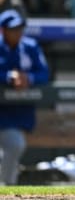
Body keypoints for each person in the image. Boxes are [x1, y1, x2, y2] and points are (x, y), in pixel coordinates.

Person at [0, 9, 50, 185]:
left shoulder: (30, 47)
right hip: (2, 112)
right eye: (13, 29)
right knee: (14, 145)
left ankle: (7, 189)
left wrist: (29, 78)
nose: (17, 33)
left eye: (20, 28)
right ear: (3, 30)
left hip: (20, 112)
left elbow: (44, 73)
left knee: (13, 147)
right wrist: (8, 77)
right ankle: (6, 187)